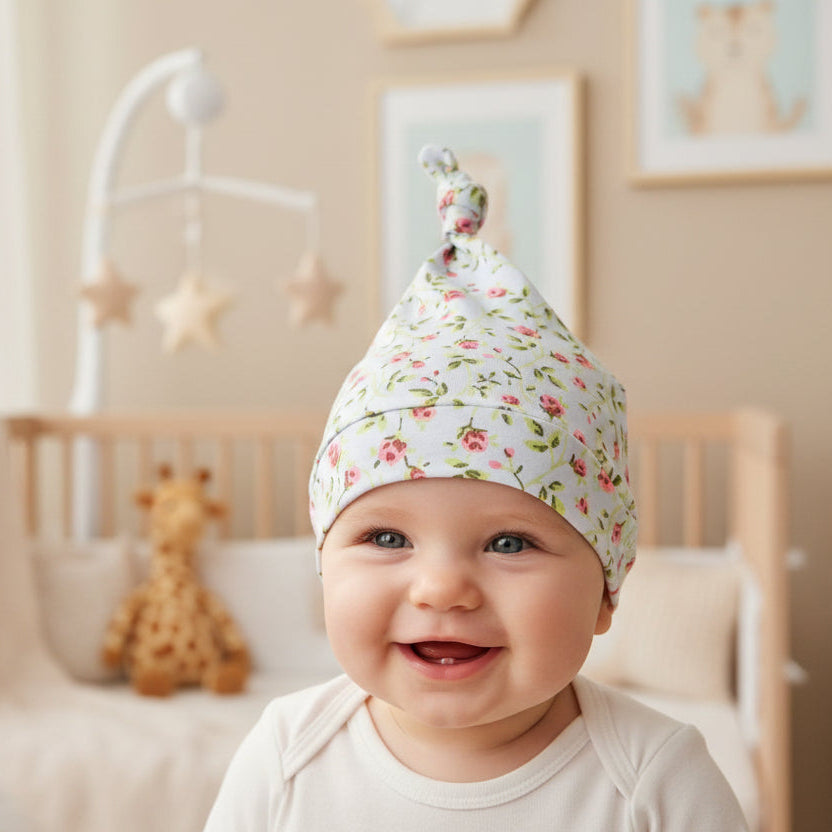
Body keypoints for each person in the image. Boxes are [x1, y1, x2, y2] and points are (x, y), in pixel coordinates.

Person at [204, 146, 748, 830]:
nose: (441, 588)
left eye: (510, 541)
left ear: (607, 590)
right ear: (322, 561)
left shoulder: (655, 779)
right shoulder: (287, 759)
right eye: (387, 537)